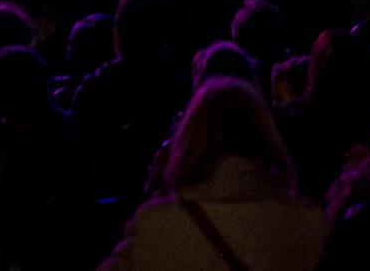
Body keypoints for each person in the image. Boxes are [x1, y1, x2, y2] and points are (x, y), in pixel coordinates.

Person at [102, 78, 327, 271]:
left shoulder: (155, 227)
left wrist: (154, 193)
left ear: (189, 140)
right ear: (265, 137)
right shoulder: (307, 224)